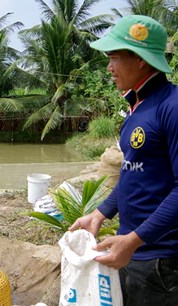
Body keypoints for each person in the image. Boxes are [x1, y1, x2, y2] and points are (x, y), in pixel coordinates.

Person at [69, 15, 178, 305]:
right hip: (130, 250)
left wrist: (133, 240)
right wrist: (99, 214)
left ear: (141, 59)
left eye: (115, 57)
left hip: (160, 261)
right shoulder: (136, 109)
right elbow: (134, 173)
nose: (109, 67)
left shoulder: (172, 107)